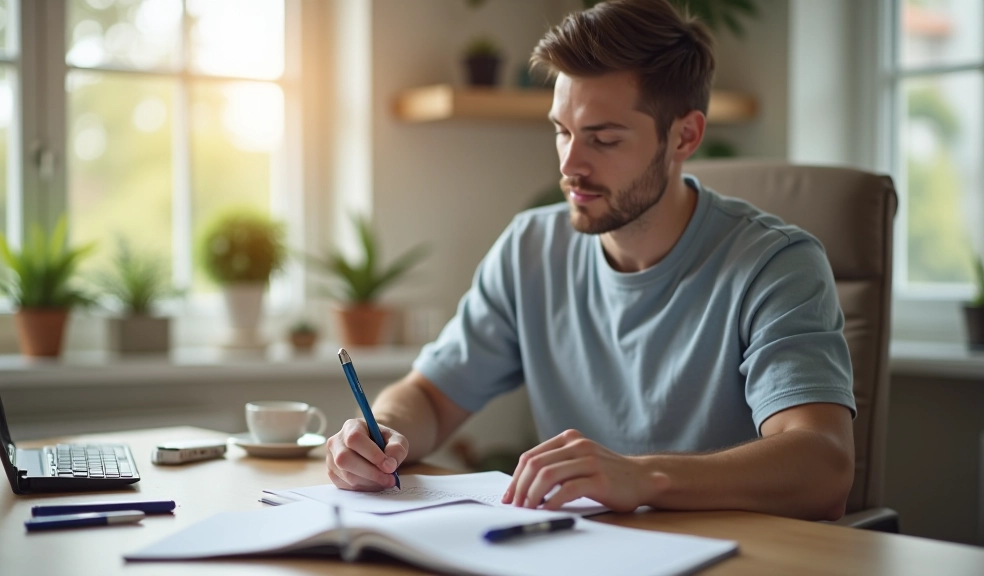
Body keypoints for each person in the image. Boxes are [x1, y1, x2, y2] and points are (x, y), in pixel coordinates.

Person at [326, 0, 856, 521]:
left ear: (685, 136)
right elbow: (432, 397)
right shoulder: (530, 248)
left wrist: (643, 476)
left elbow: (823, 465)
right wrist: (383, 435)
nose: (570, 164)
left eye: (603, 138)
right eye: (562, 130)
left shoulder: (776, 264)